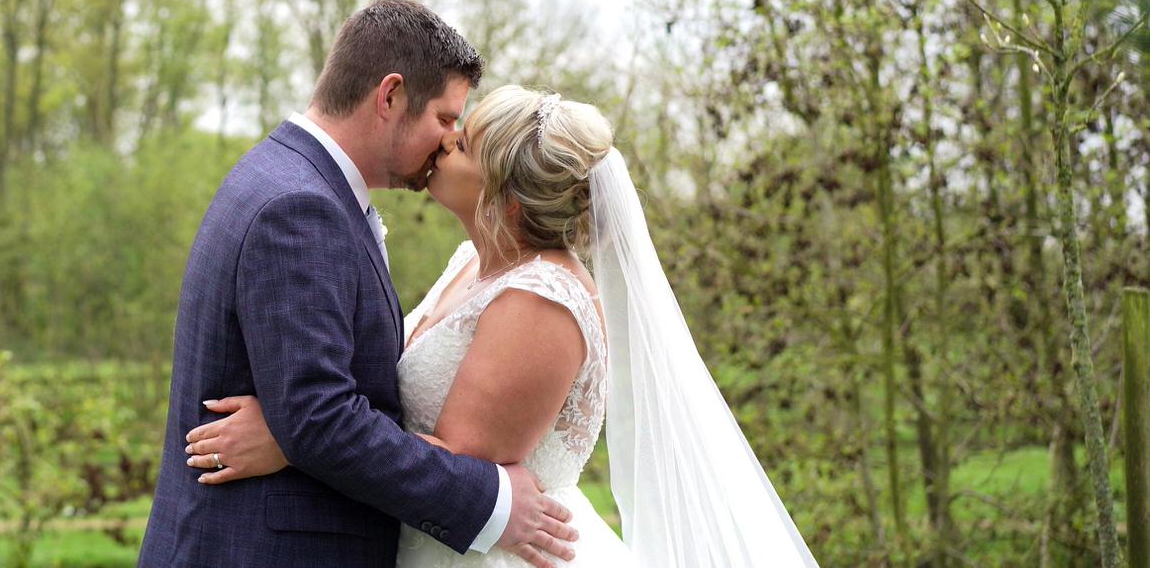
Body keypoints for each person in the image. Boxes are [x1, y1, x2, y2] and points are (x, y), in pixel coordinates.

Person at [180, 84, 820, 566]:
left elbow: (456, 467)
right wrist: (310, 423)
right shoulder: (474, 264)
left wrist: (294, 440)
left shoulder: (542, 301)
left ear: (503, 196)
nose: (443, 143)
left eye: (462, 144)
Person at [138, 0, 578, 568]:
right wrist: (490, 501)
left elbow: (312, 413)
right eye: (446, 119)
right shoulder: (301, 207)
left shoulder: (288, 177)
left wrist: (286, 440)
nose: (448, 141)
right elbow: (318, 417)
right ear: (390, 96)